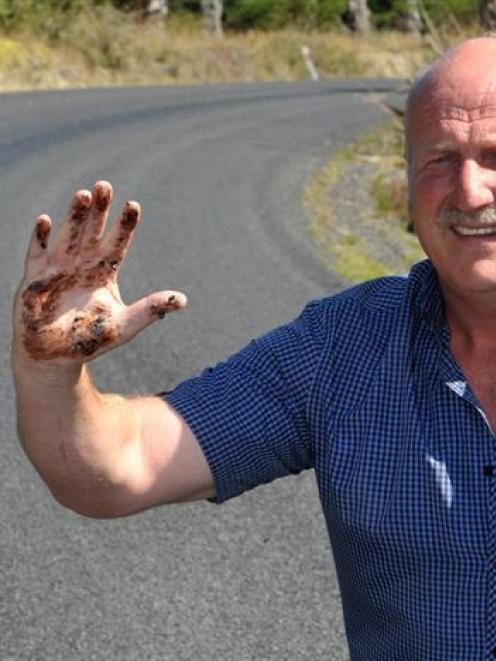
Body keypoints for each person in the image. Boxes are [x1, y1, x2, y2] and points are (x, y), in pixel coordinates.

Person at [11, 35, 496, 659]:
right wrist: (50, 371)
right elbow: (115, 471)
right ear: (406, 183)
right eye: (439, 160)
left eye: (493, 154)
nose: (471, 190)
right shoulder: (341, 348)